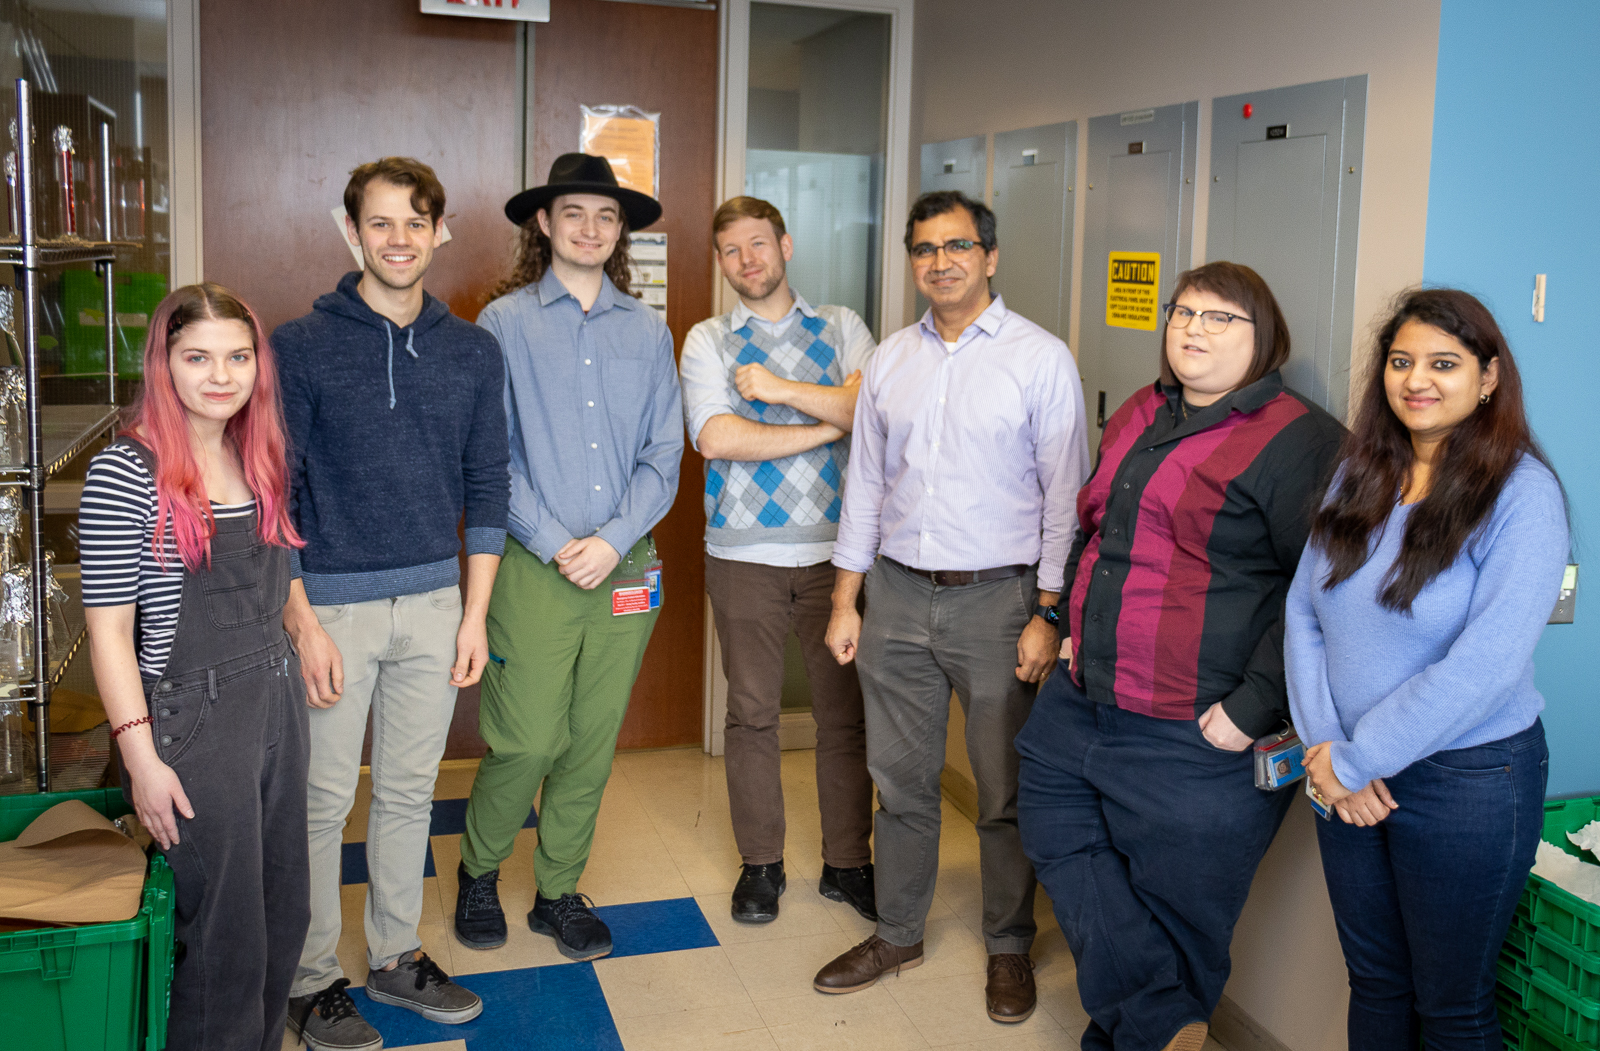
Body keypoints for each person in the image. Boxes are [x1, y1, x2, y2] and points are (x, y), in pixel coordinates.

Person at [1015, 261, 1345, 1051]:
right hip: (1082, 699)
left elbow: (1326, 591)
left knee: (1179, 910)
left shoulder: (1303, 439)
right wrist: (1063, 623)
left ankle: (1144, 1031)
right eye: (1183, 312)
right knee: (1053, 827)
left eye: (1220, 318)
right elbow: (1100, 530)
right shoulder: (1140, 409)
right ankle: (1164, 1027)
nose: (1193, 329)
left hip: (1194, 726)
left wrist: (1252, 708)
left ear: (1264, 338)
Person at [812, 190, 1089, 1024]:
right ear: (913, 260)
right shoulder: (892, 359)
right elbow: (865, 483)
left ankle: (1009, 945)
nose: (942, 261)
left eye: (958, 245)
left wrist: (1048, 610)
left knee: (1003, 788)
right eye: (925, 248)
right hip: (895, 595)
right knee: (900, 781)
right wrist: (846, 597)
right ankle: (898, 929)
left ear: (991, 257)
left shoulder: (1041, 359)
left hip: (999, 603)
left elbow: (1065, 497)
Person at [1287, 289, 1567, 1050]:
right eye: (1402, 361)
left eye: (1444, 363)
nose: (1418, 379)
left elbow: (1488, 662)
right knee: (1376, 984)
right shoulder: (1360, 474)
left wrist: (1355, 756)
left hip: (1467, 780)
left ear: (1487, 377)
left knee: (1452, 1006)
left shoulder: (1521, 495)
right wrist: (1328, 752)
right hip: (1343, 772)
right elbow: (1303, 614)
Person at [276, 157, 508, 1049]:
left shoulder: (472, 351)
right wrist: (300, 620)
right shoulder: (300, 347)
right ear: (351, 232)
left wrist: (473, 614)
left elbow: (488, 486)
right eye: (381, 223)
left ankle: (395, 954)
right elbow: (278, 492)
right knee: (321, 800)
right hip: (333, 610)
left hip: (437, 602)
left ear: (440, 232)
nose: (400, 239)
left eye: (417, 222)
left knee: (410, 790)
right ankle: (309, 978)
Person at [452, 154, 682, 961]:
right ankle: (478, 870)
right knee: (526, 739)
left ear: (621, 232)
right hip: (533, 566)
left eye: (606, 216)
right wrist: (557, 543)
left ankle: (557, 889)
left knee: (590, 739)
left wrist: (613, 540)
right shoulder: (503, 324)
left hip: (626, 569)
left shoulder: (648, 331)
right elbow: (491, 456)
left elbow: (664, 453)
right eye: (573, 212)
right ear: (543, 223)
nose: (590, 228)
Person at [81, 283, 307, 1051]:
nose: (221, 375)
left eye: (238, 356)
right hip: (193, 720)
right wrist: (140, 759)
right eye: (198, 357)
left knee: (284, 914)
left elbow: (280, 581)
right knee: (224, 935)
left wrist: (304, 629)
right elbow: (109, 632)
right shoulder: (127, 472)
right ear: (164, 364)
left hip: (275, 704)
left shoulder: (259, 452)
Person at [681, 195, 877, 924]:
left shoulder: (843, 327)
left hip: (841, 559)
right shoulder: (708, 340)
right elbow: (718, 439)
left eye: (758, 244)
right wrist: (823, 422)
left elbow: (872, 413)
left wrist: (780, 394)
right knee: (753, 714)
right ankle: (761, 866)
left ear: (786, 245)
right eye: (731, 250)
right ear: (721, 261)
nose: (747, 261)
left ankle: (847, 864)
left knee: (843, 716)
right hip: (744, 557)